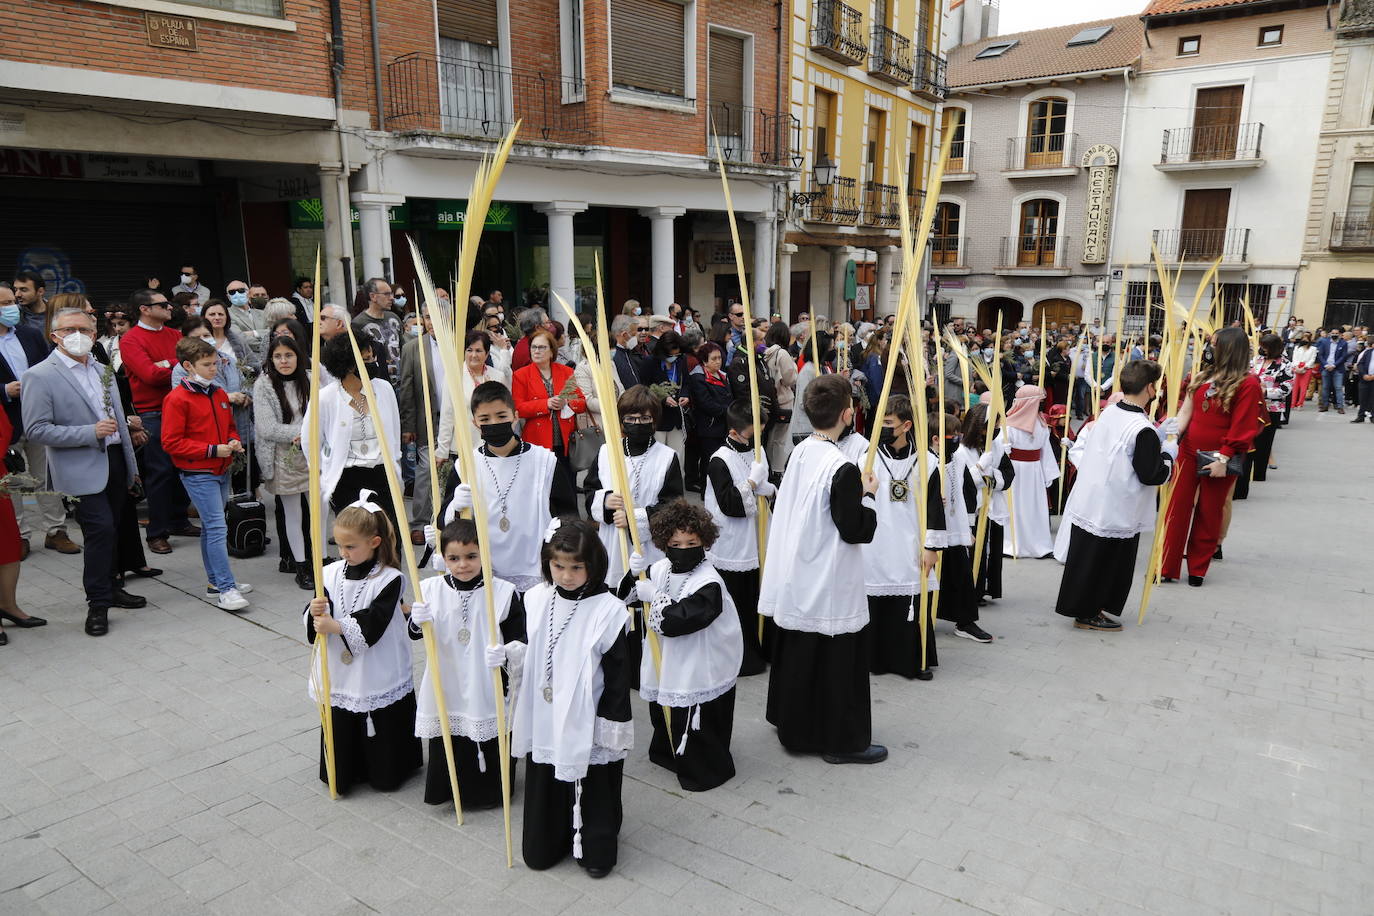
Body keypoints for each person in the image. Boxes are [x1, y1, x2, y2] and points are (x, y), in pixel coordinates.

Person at [760, 374, 885, 765]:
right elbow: (855, 529)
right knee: (835, 659)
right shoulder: (842, 468)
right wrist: (869, 496)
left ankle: (794, 725)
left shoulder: (801, 451)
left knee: (803, 654)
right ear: (848, 414)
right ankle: (839, 741)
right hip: (828, 577)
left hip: (798, 569)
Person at [501, 517, 633, 877]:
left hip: (586, 712)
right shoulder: (536, 598)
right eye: (558, 566)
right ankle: (549, 838)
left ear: (594, 564)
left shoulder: (608, 610)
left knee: (593, 780)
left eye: (576, 567)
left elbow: (619, 675)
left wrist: (610, 721)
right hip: (545, 710)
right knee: (547, 775)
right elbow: (531, 647)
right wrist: (509, 655)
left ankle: (595, 846)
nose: (566, 576)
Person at [21, 307, 143, 636]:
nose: (78, 335)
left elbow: (115, 419)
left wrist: (130, 465)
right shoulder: (39, 375)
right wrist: (89, 432)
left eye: (85, 330)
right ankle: (98, 603)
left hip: (114, 460)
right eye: (69, 329)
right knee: (100, 530)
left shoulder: (103, 369)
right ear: (54, 336)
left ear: (94, 334)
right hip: (78, 468)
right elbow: (36, 430)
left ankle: (113, 587)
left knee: (114, 527)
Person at [621, 500, 743, 792]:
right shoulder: (661, 568)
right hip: (669, 657)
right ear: (664, 543)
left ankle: (703, 769)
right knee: (665, 709)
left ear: (704, 542)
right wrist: (633, 574)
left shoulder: (709, 582)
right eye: (676, 544)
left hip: (701, 659)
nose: (683, 549)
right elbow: (627, 596)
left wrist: (655, 598)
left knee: (695, 717)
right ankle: (668, 753)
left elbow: (682, 620)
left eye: (691, 543)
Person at [306, 495, 422, 795]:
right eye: (339, 545)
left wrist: (337, 626)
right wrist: (315, 612)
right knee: (342, 712)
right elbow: (320, 608)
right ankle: (345, 771)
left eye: (350, 546)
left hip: (377, 659)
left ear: (374, 542)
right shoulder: (329, 572)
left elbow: (376, 619)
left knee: (379, 713)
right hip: (338, 660)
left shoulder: (390, 578)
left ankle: (386, 770)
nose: (343, 553)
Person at [409, 517, 525, 808]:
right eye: (454, 558)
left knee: (488, 733)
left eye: (471, 556)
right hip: (446, 677)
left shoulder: (502, 592)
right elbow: (414, 634)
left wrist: (506, 653)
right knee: (448, 732)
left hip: (485, 678)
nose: (463, 565)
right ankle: (449, 790)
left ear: (484, 553)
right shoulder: (430, 589)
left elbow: (521, 640)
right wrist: (416, 620)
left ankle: (488, 794)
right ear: (444, 558)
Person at [1054, 360, 1176, 630]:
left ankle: (1082, 607)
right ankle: (1090, 612)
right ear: (1149, 388)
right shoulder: (1141, 428)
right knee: (1104, 562)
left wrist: (1156, 436)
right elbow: (1150, 474)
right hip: (1116, 506)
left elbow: (1122, 448)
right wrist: (1169, 455)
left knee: (1086, 557)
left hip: (1093, 498)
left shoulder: (1111, 411)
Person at [436, 381, 577, 591]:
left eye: (501, 416)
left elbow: (567, 515)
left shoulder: (544, 461)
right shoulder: (466, 466)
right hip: (483, 569)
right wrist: (455, 507)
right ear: (475, 423)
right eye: (485, 419)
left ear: (515, 416)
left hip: (534, 567)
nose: (494, 423)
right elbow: (444, 522)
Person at [1161, 328, 1265, 586]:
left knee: (1209, 512)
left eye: (1214, 343)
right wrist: (1170, 441)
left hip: (1219, 456)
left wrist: (1224, 459)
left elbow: (1243, 425)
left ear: (1228, 348)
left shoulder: (1248, 383)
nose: (1209, 348)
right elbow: (1186, 411)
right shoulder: (1202, 376)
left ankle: (1197, 568)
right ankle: (1166, 565)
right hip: (1188, 451)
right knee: (1176, 508)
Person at [161, 336, 252, 612]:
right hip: (198, 471)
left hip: (219, 468)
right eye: (207, 364)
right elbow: (171, 442)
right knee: (216, 527)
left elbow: (229, 426)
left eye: (215, 363)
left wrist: (233, 440)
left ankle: (216, 582)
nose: (214, 369)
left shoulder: (218, 393)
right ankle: (225, 587)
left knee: (212, 527)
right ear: (188, 366)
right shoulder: (177, 398)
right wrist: (213, 450)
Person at [303, 331, 404, 550]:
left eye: (373, 357)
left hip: (382, 474)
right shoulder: (326, 397)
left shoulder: (384, 389)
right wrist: (322, 472)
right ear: (348, 365)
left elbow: (394, 432)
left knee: (390, 540)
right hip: (347, 477)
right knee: (357, 543)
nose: (373, 363)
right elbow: (310, 440)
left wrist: (395, 464)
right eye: (366, 360)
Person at [864, 395, 941, 679]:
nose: (882, 428)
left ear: (906, 425)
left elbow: (934, 507)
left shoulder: (927, 462)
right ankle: (875, 660)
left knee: (911, 604)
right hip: (876, 544)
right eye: (880, 422)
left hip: (910, 543)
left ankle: (911, 660)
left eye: (889, 423)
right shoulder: (867, 459)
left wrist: (931, 547)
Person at [122, 288, 200, 554]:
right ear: (144, 309)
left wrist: (166, 364)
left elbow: (194, 366)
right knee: (160, 471)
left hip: (184, 407)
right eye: (163, 304)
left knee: (183, 467)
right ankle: (156, 532)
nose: (170, 307)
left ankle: (178, 520)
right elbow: (150, 375)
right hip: (153, 411)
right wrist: (177, 365)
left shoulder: (175, 335)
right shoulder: (131, 340)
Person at [0, 282, 73, 557]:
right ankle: (19, 535)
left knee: (47, 476)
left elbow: (50, 367)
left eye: (12, 302)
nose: (12, 307)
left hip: (39, 416)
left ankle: (57, 531)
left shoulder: (29, 334)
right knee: (13, 481)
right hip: (6, 421)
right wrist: (4, 390)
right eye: (5, 304)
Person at [585, 385, 684, 586]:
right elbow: (589, 491)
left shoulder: (666, 457)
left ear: (654, 420)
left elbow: (673, 506)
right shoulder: (607, 452)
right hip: (613, 541)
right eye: (630, 418)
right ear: (622, 420)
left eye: (644, 418)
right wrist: (605, 501)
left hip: (649, 546)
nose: (637, 423)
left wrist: (634, 519)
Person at [703, 399, 774, 676]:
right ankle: (741, 658)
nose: (759, 438)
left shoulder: (757, 450)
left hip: (757, 537)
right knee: (738, 602)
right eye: (753, 433)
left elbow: (766, 486)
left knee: (758, 595)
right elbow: (729, 504)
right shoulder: (719, 460)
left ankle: (763, 647)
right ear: (734, 431)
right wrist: (752, 483)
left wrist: (770, 490)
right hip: (731, 542)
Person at [253, 336, 314, 591]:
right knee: (293, 513)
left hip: (312, 453)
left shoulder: (310, 379)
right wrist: (303, 433)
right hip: (283, 456)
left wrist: (311, 436)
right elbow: (267, 427)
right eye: (278, 356)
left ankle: (318, 559)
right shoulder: (263, 385)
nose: (284, 361)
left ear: (298, 356)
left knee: (319, 511)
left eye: (289, 355)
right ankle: (301, 565)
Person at [512, 328, 585, 494]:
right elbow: (519, 408)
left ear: (552, 351)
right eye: (533, 347)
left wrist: (566, 402)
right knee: (542, 490)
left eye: (541, 347)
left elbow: (581, 403)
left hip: (566, 441)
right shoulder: (521, 375)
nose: (536, 351)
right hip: (538, 441)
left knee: (567, 487)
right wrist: (546, 404)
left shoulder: (566, 372)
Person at [957, 405, 1014, 606]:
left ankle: (987, 588)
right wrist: (980, 467)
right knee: (975, 551)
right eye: (993, 426)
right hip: (973, 507)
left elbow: (1008, 473)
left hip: (993, 505)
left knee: (992, 549)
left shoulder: (996, 446)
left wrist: (992, 476)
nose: (997, 429)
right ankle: (973, 590)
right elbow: (962, 481)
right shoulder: (961, 451)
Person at [398, 308, 444, 543]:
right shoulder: (412, 348)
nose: (432, 322)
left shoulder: (462, 344)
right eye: (428, 317)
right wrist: (408, 426)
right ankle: (420, 523)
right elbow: (406, 387)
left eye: (437, 316)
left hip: (458, 419)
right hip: (427, 421)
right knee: (426, 470)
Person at [1000, 385, 1058, 558]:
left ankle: (1037, 545)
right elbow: (998, 450)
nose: (1041, 405)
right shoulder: (1008, 426)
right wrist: (1003, 450)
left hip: (1034, 472)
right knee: (1015, 507)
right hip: (1015, 472)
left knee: (1034, 508)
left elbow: (1045, 450)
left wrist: (1048, 473)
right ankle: (1012, 544)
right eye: (1039, 401)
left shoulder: (1041, 424)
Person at [436, 330, 510, 463]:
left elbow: (506, 411)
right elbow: (447, 414)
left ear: (487, 353)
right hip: (464, 447)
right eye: (469, 350)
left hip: (493, 446)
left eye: (479, 351)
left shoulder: (498, 377)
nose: (473, 355)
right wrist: (442, 450)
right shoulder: (454, 376)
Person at [1237, 334, 1292, 496]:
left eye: (1266, 347)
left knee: (1265, 441)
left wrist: (1265, 391)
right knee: (1250, 440)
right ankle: (1246, 473)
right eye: (1262, 346)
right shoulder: (1256, 360)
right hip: (1252, 405)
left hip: (1271, 408)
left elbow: (1286, 388)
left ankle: (1259, 473)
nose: (1263, 349)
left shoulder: (1285, 364)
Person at [686, 342, 732, 492]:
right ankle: (706, 491)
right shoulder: (698, 378)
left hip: (724, 425)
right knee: (709, 460)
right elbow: (706, 403)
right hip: (709, 427)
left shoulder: (722, 375)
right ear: (704, 361)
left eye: (719, 358)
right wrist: (728, 411)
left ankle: (720, 490)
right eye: (714, 359)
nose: (718, 361)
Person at [643, 331, 690, 459]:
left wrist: (685, 395)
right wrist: (663, 398)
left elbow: (686, 382)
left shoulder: (681, 360)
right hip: (658, 418)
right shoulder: (650, 362)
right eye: (671, 355)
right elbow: (645, 387)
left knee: (678, 455)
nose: (674, 357)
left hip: (676, 417)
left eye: (677, 354)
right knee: (658, 457)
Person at [762, 322, 798, 474]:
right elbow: (790, 379)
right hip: (783, 399)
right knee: (780, 438)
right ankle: (777, 469)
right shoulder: (782, 353)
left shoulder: (766, 352)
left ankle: (769, 467)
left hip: (771, 398)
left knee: (771, 436)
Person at [352, 278, 402, 381]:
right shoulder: (358, 323)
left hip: (401, 379)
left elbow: (402, 346)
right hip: (376, 380)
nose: (392, 298)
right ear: (373, 296)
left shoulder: (394, 317)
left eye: (391, 294)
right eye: (387, 294)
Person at [226, 281, 271, 359]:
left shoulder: (262, 313)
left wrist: (254, 333)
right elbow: (239, 338)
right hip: (247, 360)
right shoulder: (226, 314)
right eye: (232, 292)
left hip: (269, 358)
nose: (237, 294)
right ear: (228, 297)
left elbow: (273, 332)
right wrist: (267, 342)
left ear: (248, 293)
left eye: (241, 290)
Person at [1315, 329, 1350, 414]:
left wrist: (1334, 365)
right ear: (1330, 334)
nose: (1334, 334)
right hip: (1326, 367)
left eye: (1336, 333)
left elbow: (1343, 356)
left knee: (1338, 388)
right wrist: (1326, 365)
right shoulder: (1325, 342)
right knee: (1325, 387)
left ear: (1339, 334)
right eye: (1333, 333)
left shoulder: (1343, 343)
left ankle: (1340, 407)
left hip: (1337, 368)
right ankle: (1325, 405)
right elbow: (1320, 355)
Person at [13, 270, 49, 335]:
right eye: (15, 290)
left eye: (23, 290)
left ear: (40, 291)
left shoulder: (56, 312)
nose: (17, 294)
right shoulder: (13, 314)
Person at [1290, 335, 1317, 409]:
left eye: (1306, 339)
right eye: (1303, 339)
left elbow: (1312, 359)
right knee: (1295, 387)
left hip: (1307, 369)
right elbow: (1294, 358)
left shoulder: (1313, 349)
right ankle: (1293, 403)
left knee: (1303, 387)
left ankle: (1300, 403)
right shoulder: (1297, 347)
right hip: (1297, 367)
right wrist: (1297, 366)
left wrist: (1304, 367)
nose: (1304, 341)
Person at [1352, 341, 1374, 423]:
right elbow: (1360, 364)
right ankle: (1361, 416)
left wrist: (1373, 376)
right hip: (1364, 379)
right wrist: (1364, 374)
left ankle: (1373, 416)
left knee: (1372, 399)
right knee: (1362, 398)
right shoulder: (1368, 352)